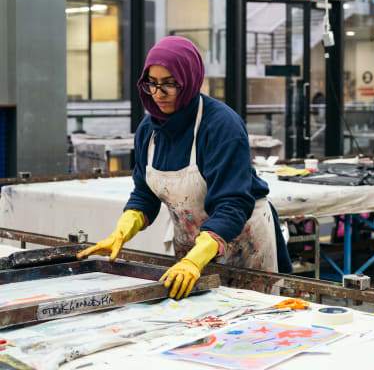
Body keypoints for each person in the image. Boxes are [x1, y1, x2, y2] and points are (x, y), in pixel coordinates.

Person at [77, 36, 291, 299]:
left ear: (190, 80)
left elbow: (233, 203)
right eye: (151, 84)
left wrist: (196, 259)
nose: (158, 94)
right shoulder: (149, 130)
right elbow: (145, 193)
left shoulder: (221, 125)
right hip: (192, 247)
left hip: (242, 246)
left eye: (170, 84)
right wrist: (123, 229)